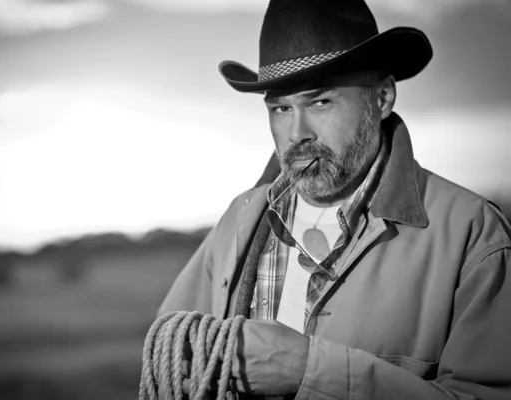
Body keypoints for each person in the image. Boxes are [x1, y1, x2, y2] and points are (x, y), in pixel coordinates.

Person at [158, 0, 511, 399]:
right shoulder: (240, 219)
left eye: (320, 102)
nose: (297, 133)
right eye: (280, 108)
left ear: (381, 98)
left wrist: (309, 372)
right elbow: (173, 352)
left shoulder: (473, 233)